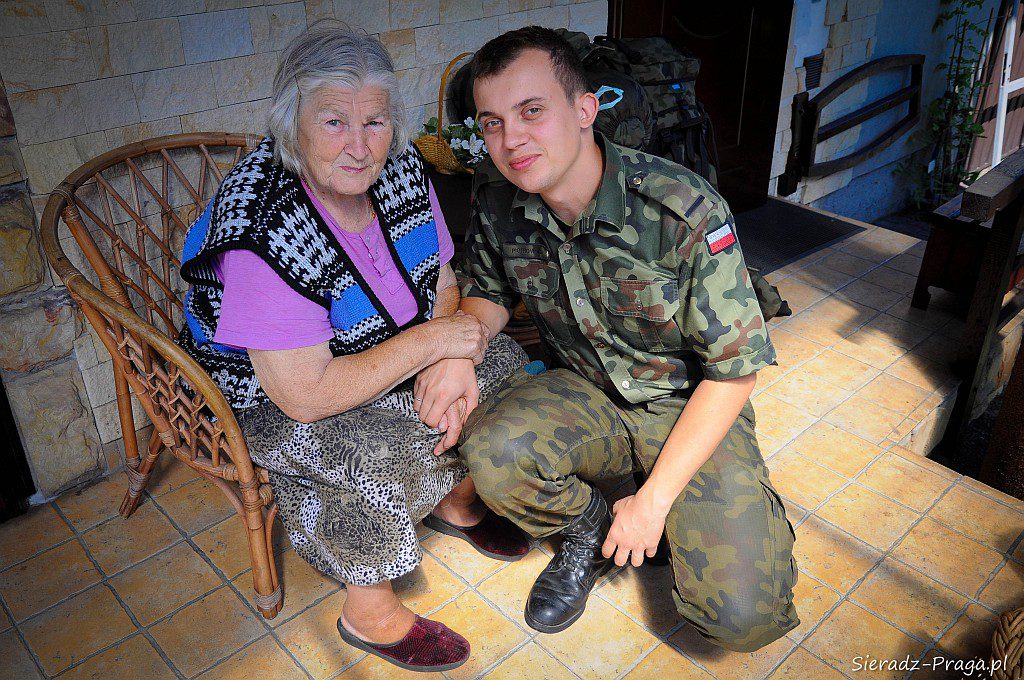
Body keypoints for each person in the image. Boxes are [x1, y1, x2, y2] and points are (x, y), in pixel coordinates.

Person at [415, 26, 799, 652]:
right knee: (493, 452)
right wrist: (458, 350)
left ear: (585, 110)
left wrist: (655, 502)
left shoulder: (681, 209)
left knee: (743, 618)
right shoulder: (497, 198)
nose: (511, 141)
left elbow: (734, 374)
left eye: (532, 111)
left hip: (683, 403)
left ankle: (673, 505)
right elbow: (486, 293)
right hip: (585, 391)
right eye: (492, 123)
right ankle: (586, 529)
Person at [177, 24, 529, 673]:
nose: (360, 146)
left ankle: (455, 502)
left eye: (374, 121)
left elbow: (442, 283)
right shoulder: (265, 227)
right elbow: (305, 396)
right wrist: (434, 343)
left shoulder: (400, 166)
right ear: (293, 124)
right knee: (376, 450)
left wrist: (450, 361)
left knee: (497, 363)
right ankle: (369, 611)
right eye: (334, 121)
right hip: (269, 394)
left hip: (388, 346)